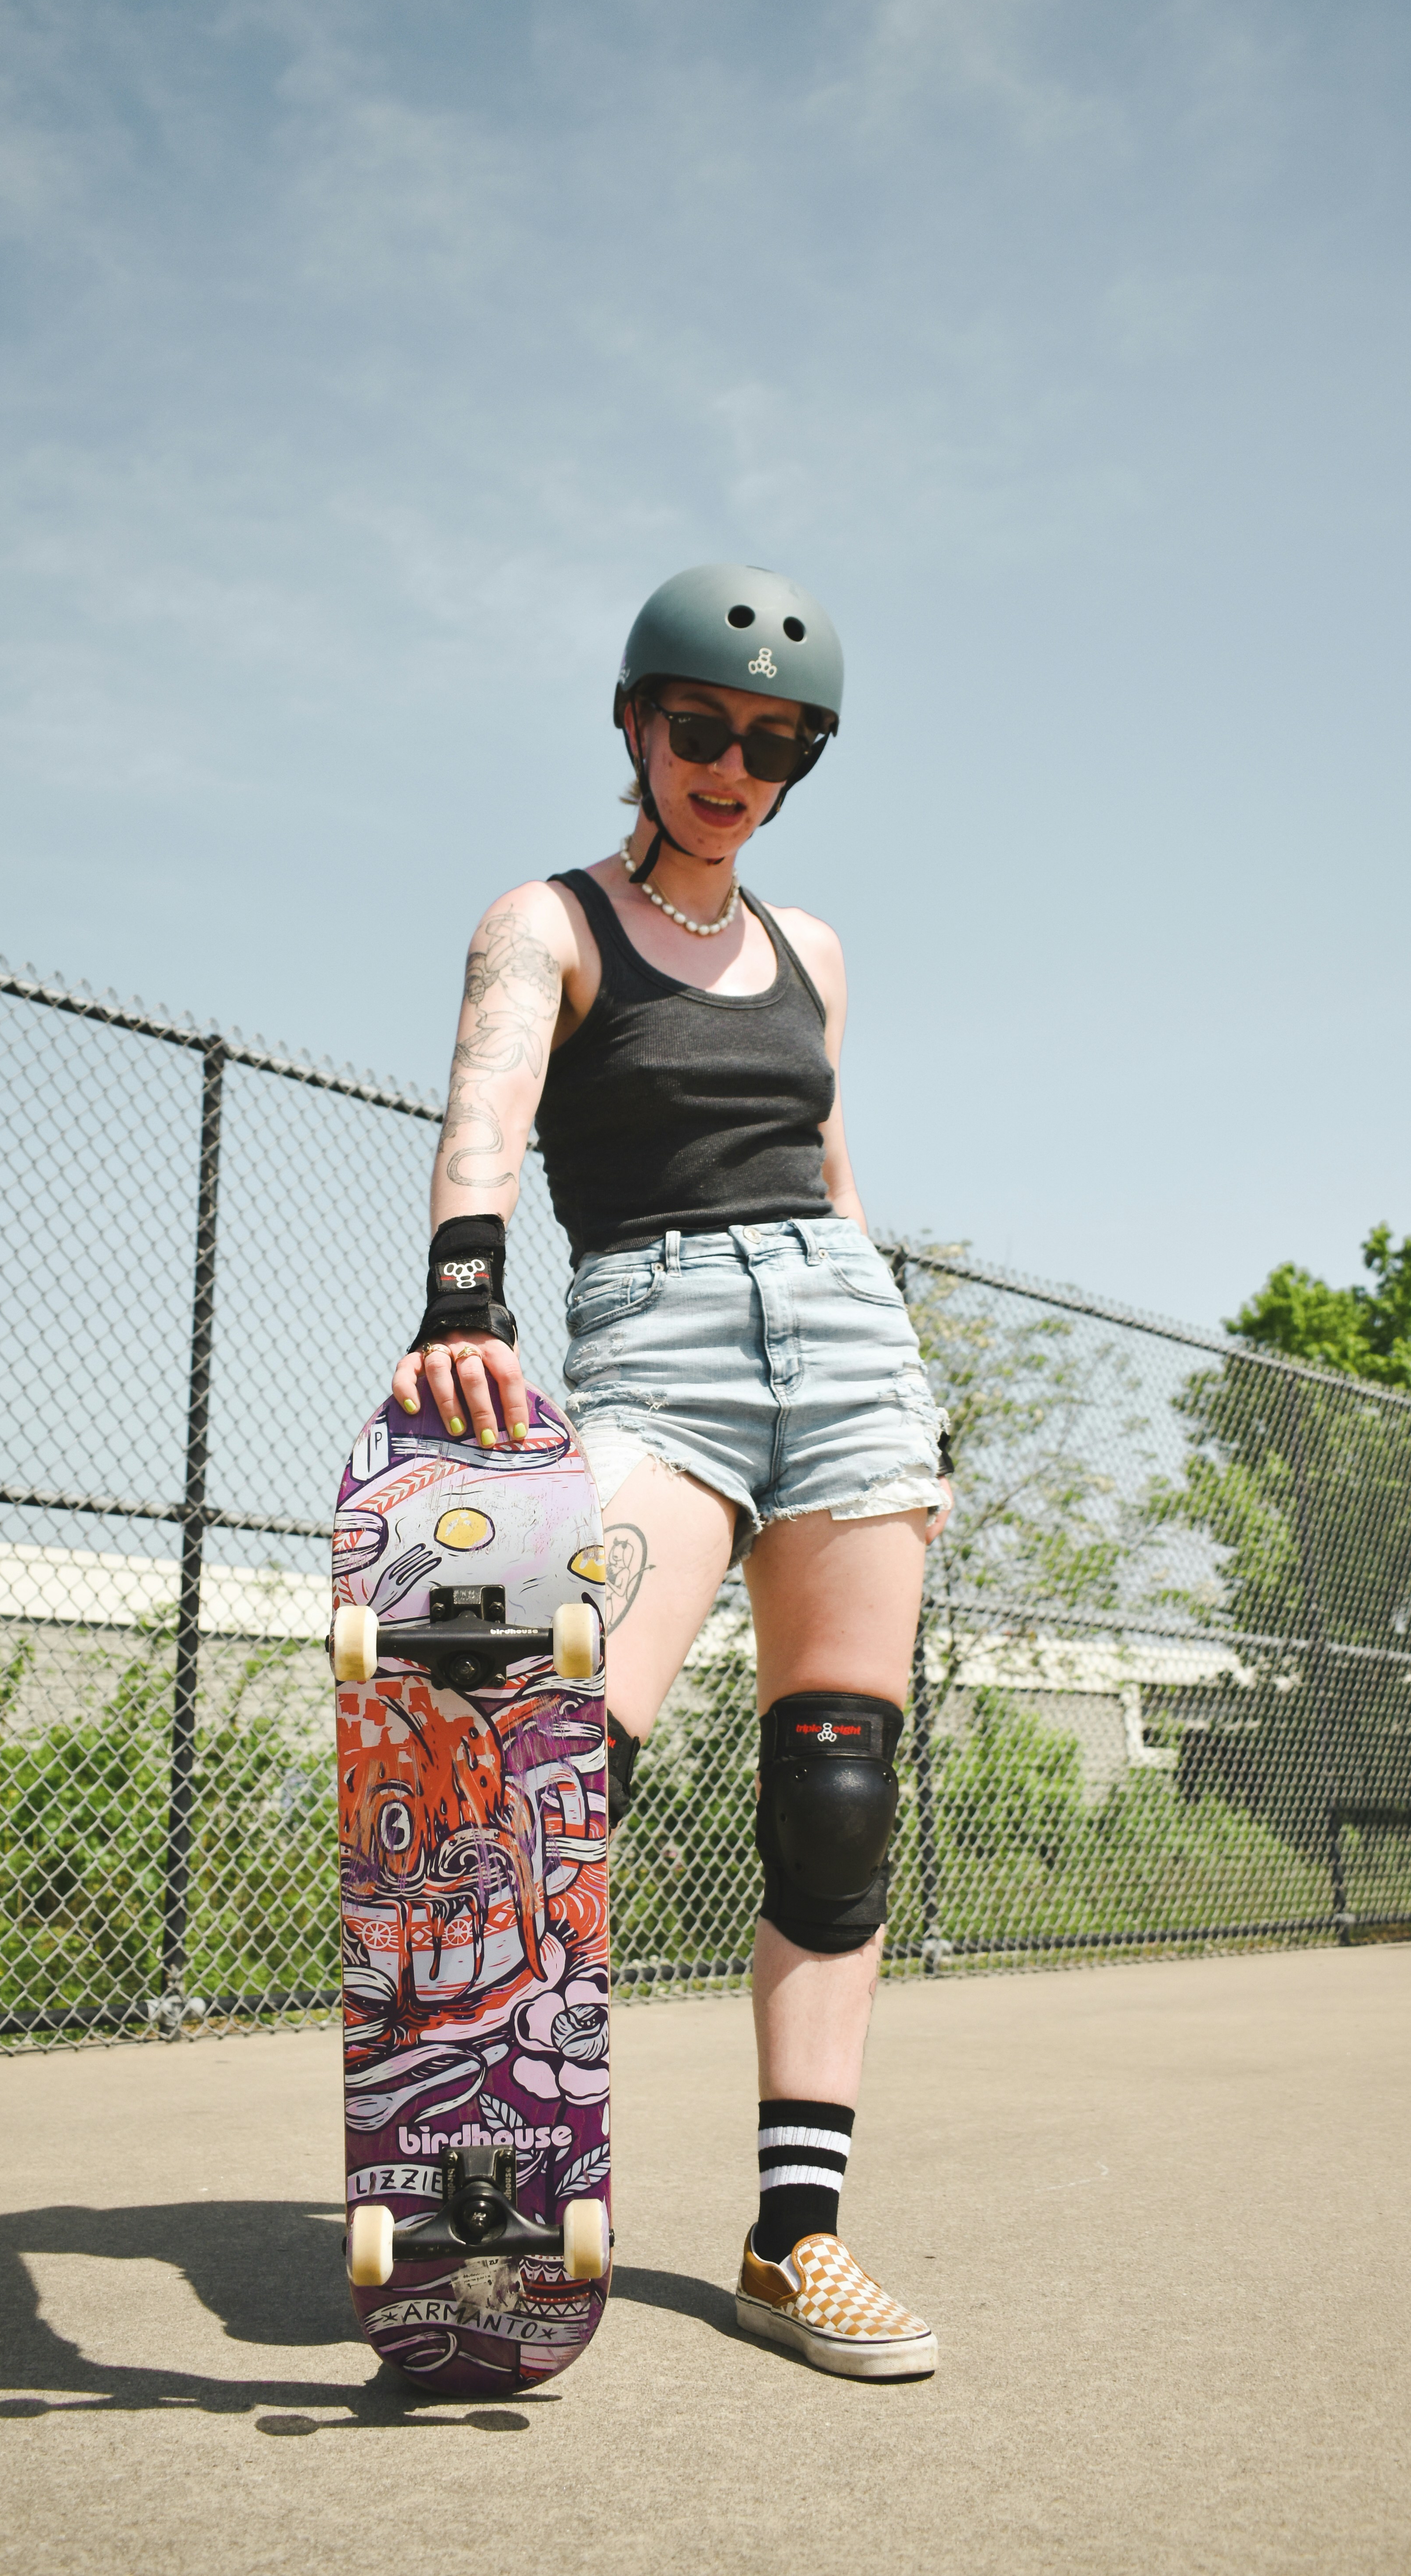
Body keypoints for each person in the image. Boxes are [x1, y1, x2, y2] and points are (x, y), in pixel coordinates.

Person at [392, 562, 952, 2380]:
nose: (732, 764)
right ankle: (483, 2180)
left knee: (838, 1789)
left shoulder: (820, 953)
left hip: (845, 1342)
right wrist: (458, 1299)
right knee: (546, 1767)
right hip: (664, 1345)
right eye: (701, 728)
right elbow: (482, 1111)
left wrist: (895, 1364)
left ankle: (796, 2242)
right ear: (636, 726)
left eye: (773, 743)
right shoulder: (547, 922)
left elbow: (829, 1168)